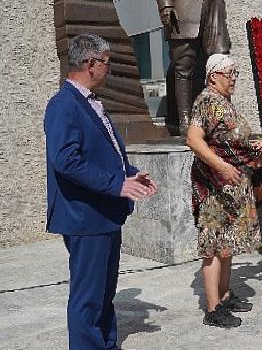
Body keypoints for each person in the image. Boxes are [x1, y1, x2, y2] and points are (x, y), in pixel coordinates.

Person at [44, 33, 158, 350]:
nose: (110, 70)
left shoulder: (93, 104)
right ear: (90, 64)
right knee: (88, 298)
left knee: (104, 293)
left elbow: (104, 155)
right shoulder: (63, 105)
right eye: (107, 63)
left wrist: (132, 174)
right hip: (85, 216)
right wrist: (117, 184)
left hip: (105, 215)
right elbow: (66, 161)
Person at [186, 54, 260, 328]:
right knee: (214, 248)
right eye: (229, 74)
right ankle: (213, 308)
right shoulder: (206, 100)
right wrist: (222, 166)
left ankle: (225, 294)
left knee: (226, 245)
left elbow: (236, 139)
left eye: (236, 74)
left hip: (232, 188)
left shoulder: (224, 102)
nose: (233, 79)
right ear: (213, 75)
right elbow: (193, 139)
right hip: (216, 187)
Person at [151, 0, 232, 134]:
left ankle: (215, 117)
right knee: (183, 66)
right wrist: (166, 5)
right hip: (184, 9)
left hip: (211, 13)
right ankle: (185, 119)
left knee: (215, 64)